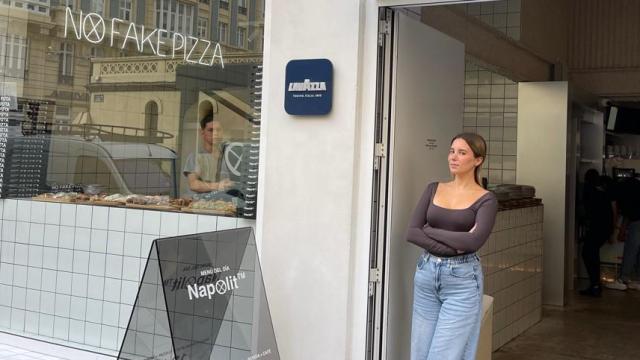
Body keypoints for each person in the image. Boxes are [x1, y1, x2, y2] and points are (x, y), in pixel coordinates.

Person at [406, 133, 498, 360]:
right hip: (426, 274)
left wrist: (431, 230)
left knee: (443, 356)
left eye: (462, 152)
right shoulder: (433, 188)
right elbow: (412, 232)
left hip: (462, 281)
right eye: (451, 151)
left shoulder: (486, 199)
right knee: (419, 354)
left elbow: (474, 242)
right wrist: (452, 244)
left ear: (478, 160)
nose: (453, 157)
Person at [183, 114, 235, 200]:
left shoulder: (227, 156)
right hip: (200, 205)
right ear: (202, 133)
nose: (215, 134)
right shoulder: (195, 156)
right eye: (211, 130)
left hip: (223, 203)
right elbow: (194, 184)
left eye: (218, 130)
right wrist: (218, 186)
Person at [579, 169, 613, 297]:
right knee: (592, 254)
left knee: (588, 253)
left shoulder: (588, 191)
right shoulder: (602, 192)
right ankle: (595, 284)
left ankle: (595, 284)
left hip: (596, 228)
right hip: (604, 228)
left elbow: (587, 212)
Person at [605, 176, 640, 291]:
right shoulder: (628, 185)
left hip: (638, 220)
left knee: (631, 249)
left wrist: (611, 232)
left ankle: (622, 280)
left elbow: (615, 212)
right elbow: (628, 213)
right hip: (637, 217)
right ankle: (636, 280)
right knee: (637, 250)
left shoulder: (612, 190)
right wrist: (622, 231)